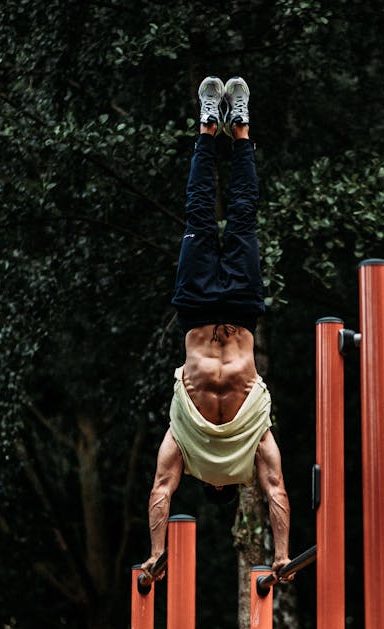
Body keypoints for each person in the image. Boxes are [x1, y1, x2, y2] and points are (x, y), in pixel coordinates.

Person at [140, 76, 292, 579]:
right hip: (204, 310)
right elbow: (162, 490)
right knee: (205, 214)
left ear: (224, 485)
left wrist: (284, 553)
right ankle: (218, 126)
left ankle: (229, 126)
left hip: (230, 311)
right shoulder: (191, 441)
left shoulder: (238, 443)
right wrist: (157, 551)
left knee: (239, 216)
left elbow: (275, 493)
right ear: (210, 485)